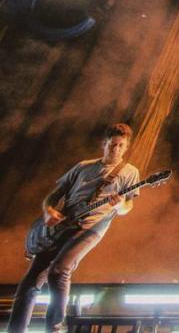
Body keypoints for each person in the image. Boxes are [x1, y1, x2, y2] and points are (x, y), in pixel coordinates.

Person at [8, 123, 140, 333]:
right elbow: (52, 196)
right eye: (112, 145)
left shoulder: (129, 172)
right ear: (104, 144)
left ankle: (55, 329)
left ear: (126, 147)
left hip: (91, 228)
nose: (116, 149)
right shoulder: (83, 166)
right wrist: (48, 211)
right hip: (63, 225)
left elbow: (128, 207)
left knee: (59, 270)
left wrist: (120, 203)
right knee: (29, 283)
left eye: (121, 145)